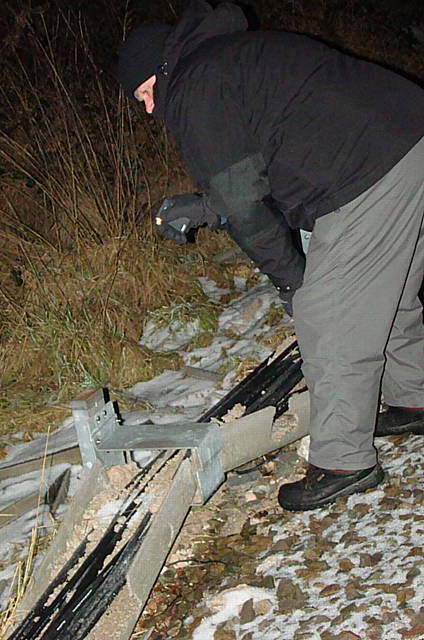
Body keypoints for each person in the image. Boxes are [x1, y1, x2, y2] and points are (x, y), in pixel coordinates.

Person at [117, 0, 424, 511]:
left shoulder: (193, 88)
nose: (149, 108)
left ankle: (344, 460)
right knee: (385, 291)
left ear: (159, 72)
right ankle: (414, 397)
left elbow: (247, 210)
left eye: (145, 93)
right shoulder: (226, 60)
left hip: (370, 169)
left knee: (328, 312)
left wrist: (292, 283)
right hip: (407, 133)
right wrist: (208, 207)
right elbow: (257, 165)